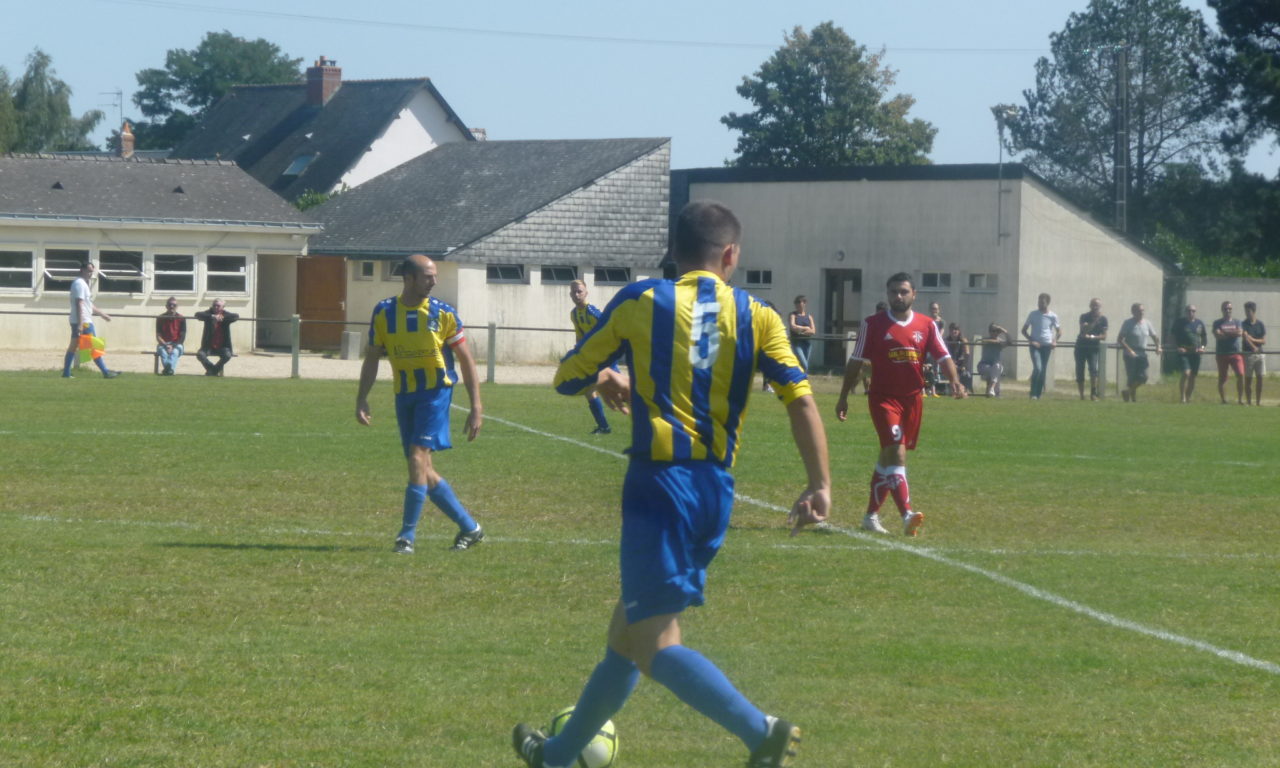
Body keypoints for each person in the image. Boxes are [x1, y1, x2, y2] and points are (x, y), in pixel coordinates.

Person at [513, 202, 831, 768]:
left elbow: (568, 378)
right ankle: (557, 756)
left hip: (658, 486)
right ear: (730, 255)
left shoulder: (643, 300)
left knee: (656, 645)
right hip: (714, 490)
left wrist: (607, 374)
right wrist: (819, 484)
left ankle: (762, 732)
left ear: (675, 250)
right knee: (627, 636)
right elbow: (801, 399)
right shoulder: (758, 314)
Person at [355, 254, 484, 555]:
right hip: (404, 394)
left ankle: (406, 537)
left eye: (434, 276)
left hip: (436, 393)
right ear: (409, 278)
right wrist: (362, 397)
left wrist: (476, 405)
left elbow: (466, 360)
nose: (434, 281)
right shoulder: (384, 312)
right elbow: (373, 356)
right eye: (428, 276)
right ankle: (470, 527)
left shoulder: (443, 313)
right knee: (422, 468)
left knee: (417, 457)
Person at [836, 273, 966, 538]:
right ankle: (907, 514)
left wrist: (955, 381)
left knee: (887, 457)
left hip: (913, 399)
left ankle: (870, 515)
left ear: (913, 294)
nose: (898, 296)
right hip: (883, 398)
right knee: (897, 452)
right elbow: (856, 361)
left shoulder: (926, 324)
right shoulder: (872, 325)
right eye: (894, 292)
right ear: (887, 294)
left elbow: (943, 355)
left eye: (903, 292)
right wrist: (843, 396)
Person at [60, 262, 120, 379]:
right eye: (88, 271)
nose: (90, 274)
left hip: (81, 320)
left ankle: (66, 373)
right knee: (94, 346)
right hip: (84, 321)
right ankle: (106, 372)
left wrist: (102, 314)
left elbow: (89, 305)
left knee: (73, 346)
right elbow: (80, 304)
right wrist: (81, 324)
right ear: (81, 270)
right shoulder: (79, 284)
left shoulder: (83, 284)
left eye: (92, 271)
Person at [568, 280, 613, 434]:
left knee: (622, 392)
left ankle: (650, 419)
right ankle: (603, 427)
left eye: (579, 291)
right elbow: (580, 337)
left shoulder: (592, 312)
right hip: (593, 359)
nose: (576, 294)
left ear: (586, 292)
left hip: (605, 357)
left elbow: (608, 329)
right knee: (589, 391)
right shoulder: (574, 314)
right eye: (573, 292)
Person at [1117, 303, 1162, 403]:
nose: (1141, 312)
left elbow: (1155, 337)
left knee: (1143, 376)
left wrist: (1158, 346)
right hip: (1130, 354)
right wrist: (1129, 350)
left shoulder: (1147, 323)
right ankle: (1132, 400)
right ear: (1133, 312)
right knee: (1132, 377)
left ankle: (1127, 392)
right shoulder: (1128, 323)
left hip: (1142, 353)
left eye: (1142, 310)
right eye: (1139, 310)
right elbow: (1120, 339)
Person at [1020, 293, 1060, 399]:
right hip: (1035, 346)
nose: (1040, 304)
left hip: (1046, 346)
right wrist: (1031, 341)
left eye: (1042, 302)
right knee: (1038, 368)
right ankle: (1033, 393)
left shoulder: (1053, 316)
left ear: (1047, 303)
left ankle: (1038, 394)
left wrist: (1054, 341)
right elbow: (1023, 330)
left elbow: (1059, 331)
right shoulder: (1033, 314)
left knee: (1043, 370)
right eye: (1039, 301)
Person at [1171, 304, 1207, 404]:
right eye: (1189, 311)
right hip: (1184, 352)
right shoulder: (1179, 322)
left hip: (1195, 353)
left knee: (1193, 376)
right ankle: (1182, 397)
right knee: (1186, 373)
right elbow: (1172, 336)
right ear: (1185, 312)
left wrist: (1202, 348)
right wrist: (1177, 348)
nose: (1191, 313)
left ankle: (1188, 397)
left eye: (1193, 311)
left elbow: (1204, 338)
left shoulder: (1200, 323)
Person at [1074, 298, 1108, 401]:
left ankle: (1093, 393)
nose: (1095, 307)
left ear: (1100, 306)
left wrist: (1092, 337)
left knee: (1093, 370)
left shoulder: (1103, 319)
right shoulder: (1084, 316)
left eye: (1097, 305)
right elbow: (1083, 331)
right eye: (1093, 305)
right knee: (1080, 370)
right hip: (1081, 347)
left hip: (1093, 348)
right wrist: (1093, 322)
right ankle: (1081, 395)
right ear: (1090, 306)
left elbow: (1104, 336)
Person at [195, 299, 239, 377]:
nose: (215, 307)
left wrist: (223, 317)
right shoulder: (209, 314)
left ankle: (213, 370)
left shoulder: (225, 315)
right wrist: (212, 316)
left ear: (223, 307)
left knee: (227, 355)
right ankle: (212, 369)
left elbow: (236, 316)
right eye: (214, 305)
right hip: (208, 346)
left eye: (218, 306)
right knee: (200, 354)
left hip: (222, 346)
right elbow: (197, 314)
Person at [1212, 301, 1245, 405]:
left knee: (1240, 374)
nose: (1228, 310)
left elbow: (1239, 333)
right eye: (1225, 309)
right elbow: (1218, 336)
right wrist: (1232, 333)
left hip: (1235, 353)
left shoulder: (1237, 322)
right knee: (1222, 378)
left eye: (1229, 308)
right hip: (1222, 353)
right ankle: (1224, 400)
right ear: (1222, 310)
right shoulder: (1217, 323)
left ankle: (1240, 400)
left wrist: (1225, 333)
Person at [1241, 301, 1266, 406]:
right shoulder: (1243, 324)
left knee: (1260, 378)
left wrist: (1253, 340)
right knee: (1248, 379)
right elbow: (1246, 338)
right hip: (1248, 354)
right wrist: (1254, 346)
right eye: (1246, 311)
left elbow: (1264, 341)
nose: (1247, 313)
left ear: (1253, 311)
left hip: (1260, 355)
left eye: (1249, 311)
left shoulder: (1260, 324)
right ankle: (1249, 402)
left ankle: (1258, 402)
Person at [977, 323, 1012, 397]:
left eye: (997, 331)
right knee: (995, 370)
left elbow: (1010, 342)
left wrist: (1003, 330)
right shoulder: (985, 340)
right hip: (983, 365)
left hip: (996, 366)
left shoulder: (1000, 342)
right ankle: (993, 391)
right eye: (993, 331)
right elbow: (982, 341)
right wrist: (997, 342)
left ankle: (991, 389)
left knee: (997, 366)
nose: (995, 333)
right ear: (989, 332)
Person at [155, 297, 187, 375]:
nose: (172, 306)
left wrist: (173, 346)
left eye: (174, 305)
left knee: (175, 352)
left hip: (177, 344)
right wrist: (166, 345)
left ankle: (168, 369)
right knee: (163, 351)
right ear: (166, 306)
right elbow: (158, 336)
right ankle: (170, 370)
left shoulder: (182, 318)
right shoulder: (160, 318)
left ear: (177, 306)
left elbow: (182, 337)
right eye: (170, 305)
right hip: (163, 343)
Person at [787, 294, 816, 371]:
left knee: (803, 365)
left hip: (807, 343)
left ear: (804, 303)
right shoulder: (793, 315)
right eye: (796, 302)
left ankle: (802, 380)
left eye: (799, 302)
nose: (797, 304)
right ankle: (804, 379)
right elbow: (793, 327)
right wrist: (806, 328)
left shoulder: (809, 316)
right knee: (804, 365)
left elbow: (813, 331)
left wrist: (800, 331)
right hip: (796, 343)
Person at [944, 322, 972, 395]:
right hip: (950, 363)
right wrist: (952, 364)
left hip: (962, 363)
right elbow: (944, 354)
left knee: (965, 374)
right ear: (949, 331)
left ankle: (965, 390)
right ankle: (953, 391)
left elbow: (967, 354)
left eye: (956, 329)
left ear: (959, 331)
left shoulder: (963, 340)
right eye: (952, 329)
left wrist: (963, 366)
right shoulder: (946, 340)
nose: (954, 331)